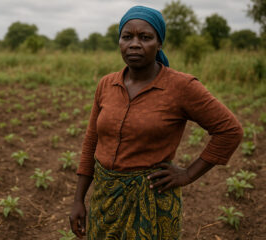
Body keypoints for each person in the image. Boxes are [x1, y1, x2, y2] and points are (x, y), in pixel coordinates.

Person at [69, 5, 243, 240]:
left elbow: (229, 130)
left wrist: (188, 175)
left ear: (159, 43)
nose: (134, 44)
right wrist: (78, 199)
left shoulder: (181, 87)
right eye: (127, 36)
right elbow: (92, 140)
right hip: (105, 199)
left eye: (145, 37)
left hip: (152, 201)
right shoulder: (106, 84)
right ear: (119, 41)